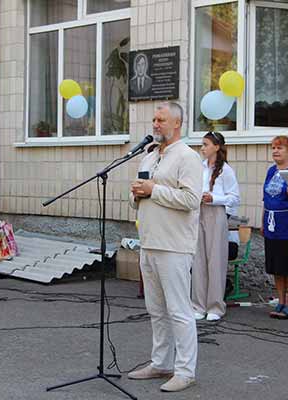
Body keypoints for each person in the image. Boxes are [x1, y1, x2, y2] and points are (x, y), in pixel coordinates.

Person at [127, 102, 203, 393]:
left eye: (161, 120)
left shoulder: (188, 157)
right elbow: (137, 198)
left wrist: (153, 190)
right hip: (148, 241)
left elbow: (191, 200)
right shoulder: (148, 156)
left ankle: (185, 370)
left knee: (179, 310)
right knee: (156, 309)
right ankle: (161, 362)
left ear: (177, 124)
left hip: (174, 245)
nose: (155, 124)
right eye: (154, 119)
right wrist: (136, 195)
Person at [191, 131, 240, 322]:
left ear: (217, 147)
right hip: (198, 212)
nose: (202, 148)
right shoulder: (200, 167)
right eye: (202, 144)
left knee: (215, 260)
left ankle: (215, 306)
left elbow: (235, 198)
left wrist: (215, 198)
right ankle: (198, 304)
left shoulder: (225, 170)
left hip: (216, 213)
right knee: (199, 260)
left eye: (206, 144)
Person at [261, 136, 288, 319]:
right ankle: (281, 300)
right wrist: (262, 221)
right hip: (271, 225)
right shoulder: (270, 171)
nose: (276, 151)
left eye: (280, 148)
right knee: (276, 266)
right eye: (274, 148)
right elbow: (266, 199)